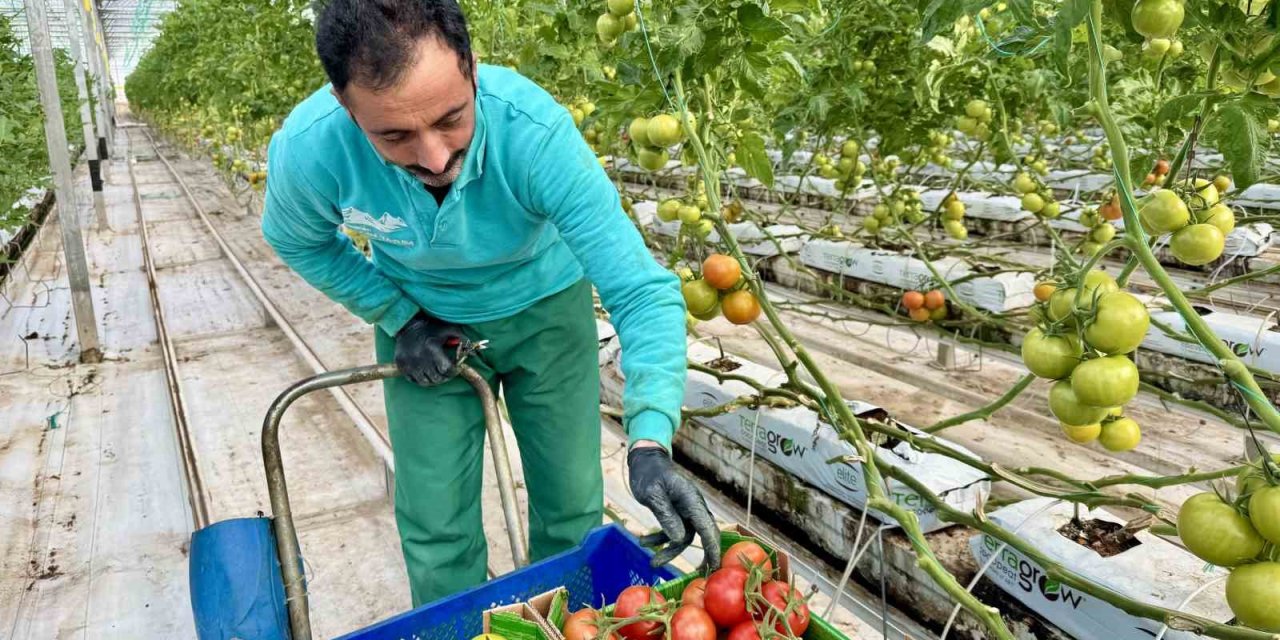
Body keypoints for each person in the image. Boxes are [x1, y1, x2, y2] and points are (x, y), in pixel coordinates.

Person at [260, 0, 720, 606]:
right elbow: (296, 239)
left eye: (451, 118)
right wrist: (399, 315)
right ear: (346, 107)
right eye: (394, 135)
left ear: (472, 69)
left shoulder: (532, 133)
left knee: (570, 506)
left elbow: (639, 289)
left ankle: (572, 619)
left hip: (547, 311)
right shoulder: (312, 149)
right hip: (427, 327)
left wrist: (651, 439)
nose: (433, 157)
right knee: (435, 521)